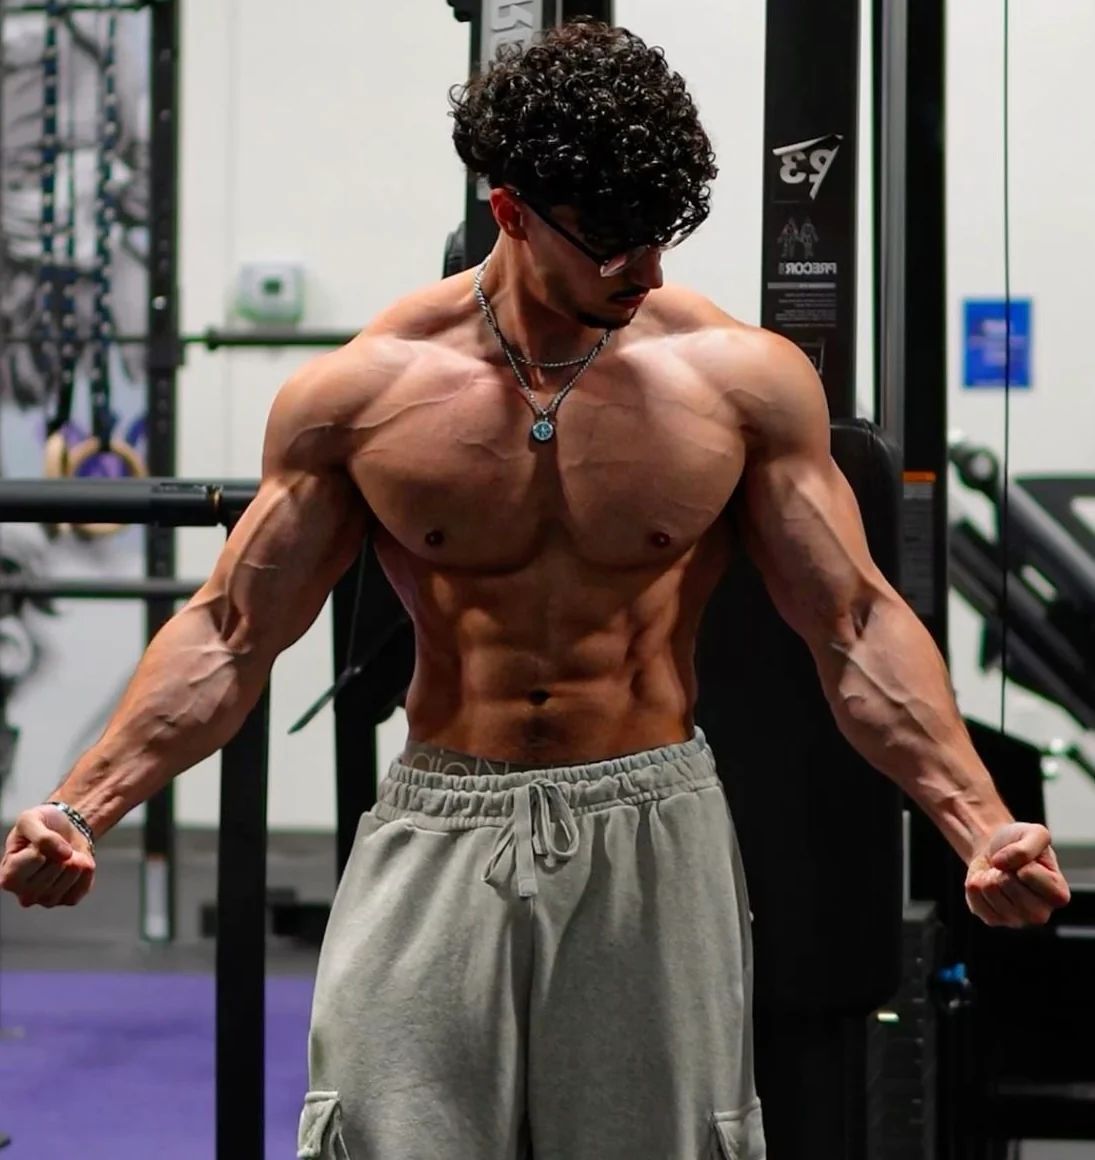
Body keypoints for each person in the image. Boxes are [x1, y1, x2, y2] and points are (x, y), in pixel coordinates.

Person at [0, 19, 1071, 1160]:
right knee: (381, 1135)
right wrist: (83, 806)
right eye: (612, 244)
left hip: (649, 821)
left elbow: (852, 621)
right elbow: (230, 632)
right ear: (510, 212)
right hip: (441, 816)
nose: (647, 271)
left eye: (661, 236)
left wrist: (978, 823)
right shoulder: (364, 394)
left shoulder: (736, 383)